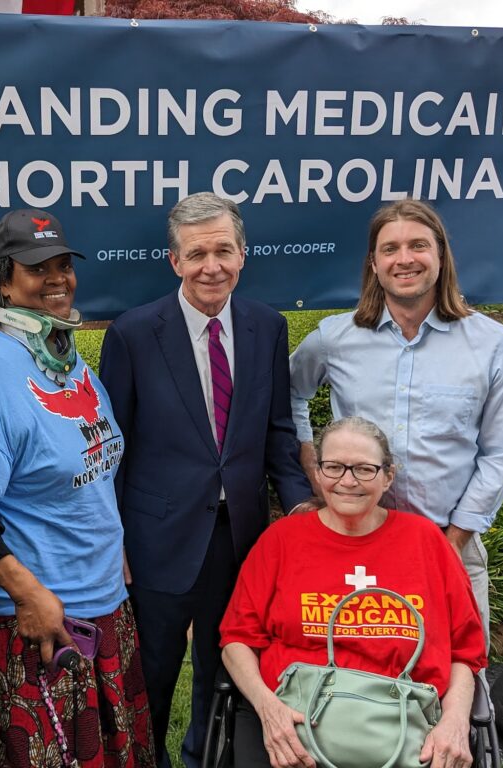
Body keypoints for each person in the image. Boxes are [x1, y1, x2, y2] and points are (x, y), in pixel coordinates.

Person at [0, 208, 154, 767]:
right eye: (36, 268)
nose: (56, 279)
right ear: (2, 280)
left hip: (96, 597)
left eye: (62, 266)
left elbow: (90, 466)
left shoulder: (66, 360)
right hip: (28, 619)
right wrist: (29, 596)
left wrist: (110, 537)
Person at [99, 192, 311, 768]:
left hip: (240, 539)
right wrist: (112, 537)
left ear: (243, 254)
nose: (210, 266)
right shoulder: (134, 333)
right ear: (175, 262)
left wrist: (298, 517)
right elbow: (110, 448)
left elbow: (277, 431)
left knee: (227, 674)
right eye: (197, 254)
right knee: (155, 673)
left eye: (223, 251)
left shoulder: (268, 326)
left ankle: (210, 759)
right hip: (156, 539)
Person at [289, 199, 503, 639]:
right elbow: (287, 392)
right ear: (374, 264)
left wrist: (453, 541)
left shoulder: (494, 345)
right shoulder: (335, 338)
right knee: (353, 679)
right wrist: (311, 460)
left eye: (418, 245)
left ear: (440, 256)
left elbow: (499, 453)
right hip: (355, 541)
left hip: (448, 542)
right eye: (389, 248)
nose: (404, 259)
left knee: (462, 679)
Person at [220, 416, 487, 768]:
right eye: (333, 467)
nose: (347, 481)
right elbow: (237, 639)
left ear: (388, 475)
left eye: (364, 469)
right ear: (317, 473)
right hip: (294, 720)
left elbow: (465, 652)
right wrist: (268, 710)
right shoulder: (282, 541)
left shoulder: (427, 543)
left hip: (407, 726)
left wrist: (454, 722)